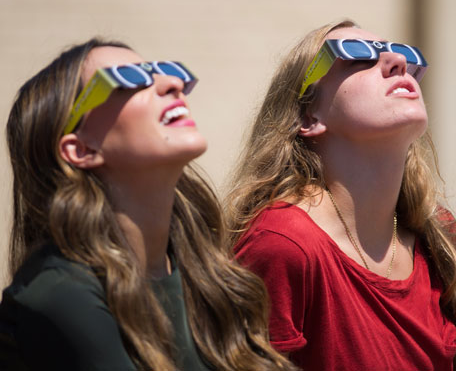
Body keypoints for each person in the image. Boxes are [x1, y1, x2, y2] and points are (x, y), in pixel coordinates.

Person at [0, 39, 296, 371]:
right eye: (128, 78)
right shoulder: (57, 294)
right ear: (80, 149)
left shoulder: (207, 275)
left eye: (164, 71)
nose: (173, 83)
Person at [226, 20, 456, 371]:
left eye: (405, 55)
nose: (395, 61)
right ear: (309, 115)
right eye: (358, 57)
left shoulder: (438, 236)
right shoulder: (282, 244)